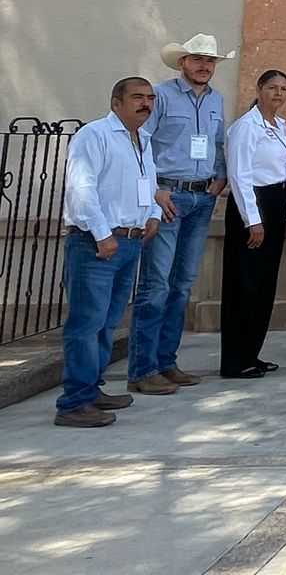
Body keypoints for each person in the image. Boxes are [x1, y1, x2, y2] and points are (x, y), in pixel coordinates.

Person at [127, 33, 231, 396]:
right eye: (198, 59)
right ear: (182, 62)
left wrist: (219, 177)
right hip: (168, 198)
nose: (205, 66)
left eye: (211, 61)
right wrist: (154, 191)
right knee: (156, 284)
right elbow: (139, 143)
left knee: (183, 284)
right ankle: (143, 368)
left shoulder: (216, 99)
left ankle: (166, 362)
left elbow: (218, 143)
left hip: (201, 199)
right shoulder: (161, 96)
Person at [55, 78, 161, 426]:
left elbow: (150, 185)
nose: (145, 103)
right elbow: (81, 188)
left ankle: (91, 388)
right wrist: (102, 234)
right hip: (97, 245)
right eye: (137, 97)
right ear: (116, 102)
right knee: (86, 324)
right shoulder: (95, 135)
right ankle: (74, 402)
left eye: (149, 98)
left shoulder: (143, 140)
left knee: (107, 323)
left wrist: (153, 216)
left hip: (129, 241)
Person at [220, 70, 286, 378]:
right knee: (244, 283)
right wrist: (254, 220)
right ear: (260, 90)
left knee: (265, 284)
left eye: (283, 89)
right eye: (272, 87)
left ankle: (252, 351)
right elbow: (239, 176)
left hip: (277, 204)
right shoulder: (245, 127)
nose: (278, 93)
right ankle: (235, 359)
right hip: (252, 206)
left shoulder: (280, 126)